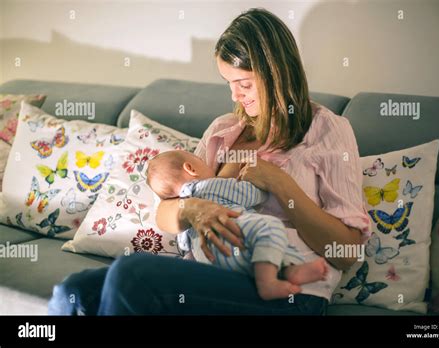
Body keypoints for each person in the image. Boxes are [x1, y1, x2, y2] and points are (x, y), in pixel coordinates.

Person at [48, 7, 371, 315]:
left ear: (278, 74)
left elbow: (346, 252)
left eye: (244, 84)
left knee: (134, 275)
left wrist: (281, 185)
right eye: (229, 84)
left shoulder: (326, 129)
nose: (235, 96)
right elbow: (166, 209)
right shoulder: (223, 131)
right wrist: (193, 208)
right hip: (209, 275)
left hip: (288, 292)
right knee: (72, 291)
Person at [146, 150, 329, 300]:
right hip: (236, 234)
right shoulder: (209, 186)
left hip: (210, 260)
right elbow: (249, 195)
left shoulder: (185, 216)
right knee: (270, 229)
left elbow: (184, 246)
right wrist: (262, 185)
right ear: (191, 168)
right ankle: (273, 280)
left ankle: (287, 272)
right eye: (201, 160)